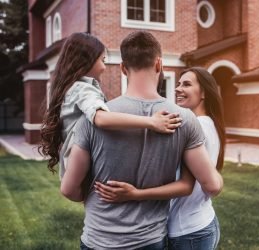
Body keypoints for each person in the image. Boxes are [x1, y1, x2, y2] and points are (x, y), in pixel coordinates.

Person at [60, 31, 223, 249]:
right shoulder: (183, 119)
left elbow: (69, 189)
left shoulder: (90, 120)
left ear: (123, 68)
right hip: (150, 240)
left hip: (99, 240)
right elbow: (207, 184)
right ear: (159, 64)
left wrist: (97, 199)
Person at [95, 67, 225, 250]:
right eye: (178, 84)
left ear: (203, 92)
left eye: (186, 84)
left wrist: (135, 194)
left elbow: (205, 185)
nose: (178, 88)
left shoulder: (197, 127)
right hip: (202, 222)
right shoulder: (208, 123)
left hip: (187, 232)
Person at [39, 32, 181, 179]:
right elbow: (100, 118)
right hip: (82, 167)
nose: (104, 67)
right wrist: (151, 122)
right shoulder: (81, 89)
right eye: (103, 60)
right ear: (86, 62)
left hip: (74, 167)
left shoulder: (73, 88)